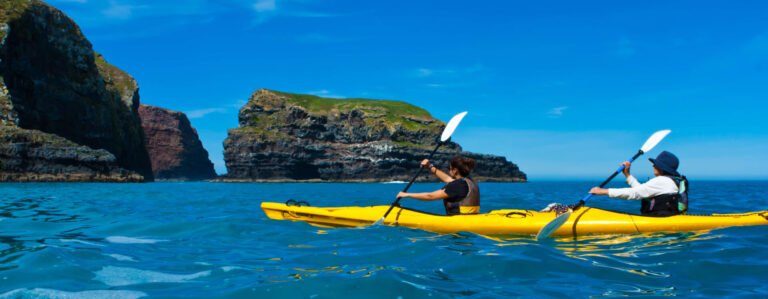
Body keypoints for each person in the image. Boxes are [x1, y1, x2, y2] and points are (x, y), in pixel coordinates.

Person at [589, 151, 687, 216]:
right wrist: (627, 175)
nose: (653, 165)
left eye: (655, 164)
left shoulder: (662, 181)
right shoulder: (670, 181)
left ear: (662, 167)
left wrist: (604, 191)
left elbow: (635, 193)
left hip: (659, 221)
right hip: (663, 218)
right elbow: (643, 191)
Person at [397, 156, 480, 215]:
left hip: (459, 222)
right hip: (471, 218)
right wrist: (430, 166)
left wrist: (406, 194)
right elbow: (448, 179)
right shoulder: (469, 182)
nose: (448, 170)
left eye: (449, 168)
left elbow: (430, 196)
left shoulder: (457, 185)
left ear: (455, 170)